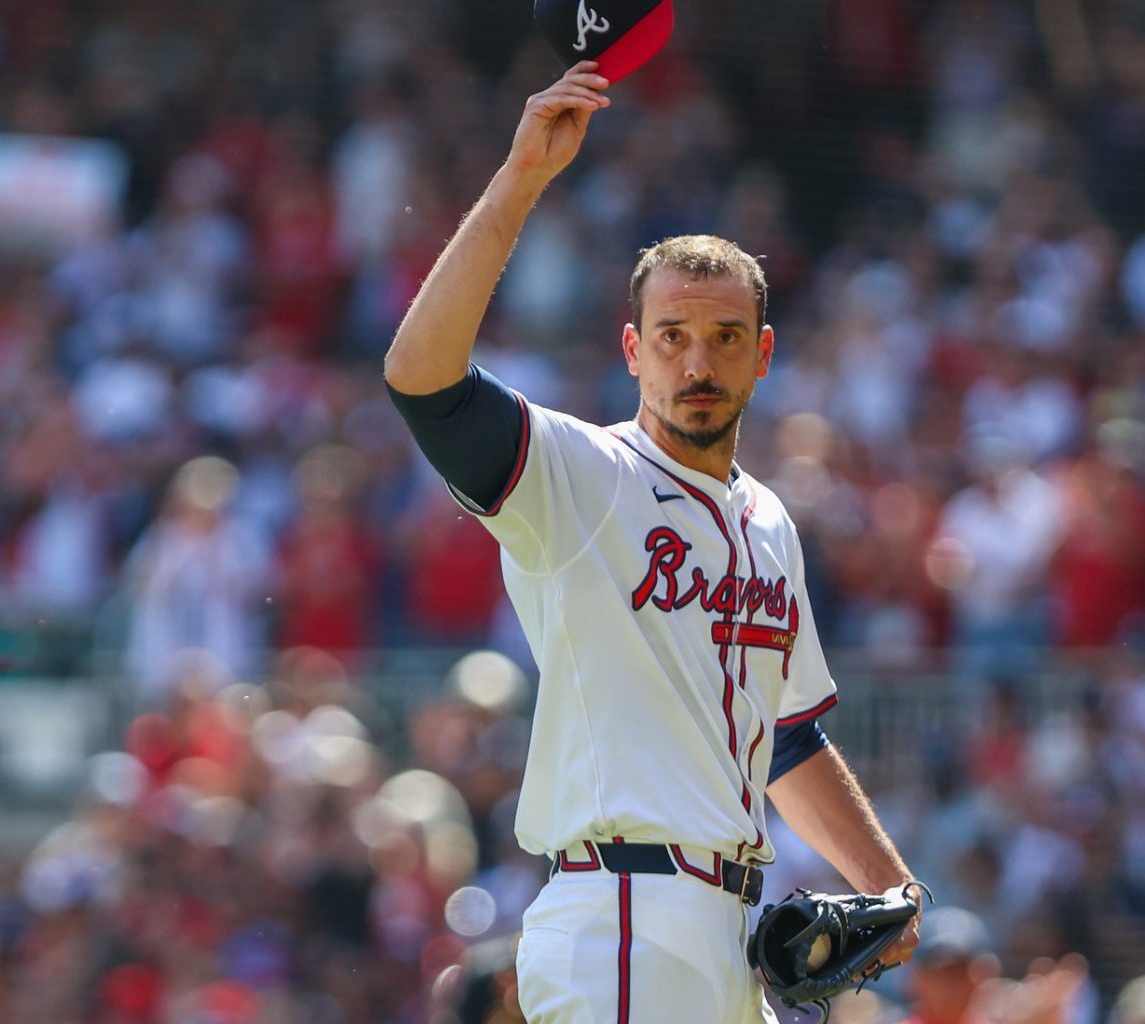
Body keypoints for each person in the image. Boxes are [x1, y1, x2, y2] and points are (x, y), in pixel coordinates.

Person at [384, 62, 920, 1024]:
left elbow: (787, 741)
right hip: (620, 909)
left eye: (722, 336)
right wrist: (519, 181)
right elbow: (422, 378)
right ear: (633, 350)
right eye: (671, 335)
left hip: (730, 937)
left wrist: (894, 887)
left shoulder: (771, 523)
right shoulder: (581, 477)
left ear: (762, 353)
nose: (696, 361)